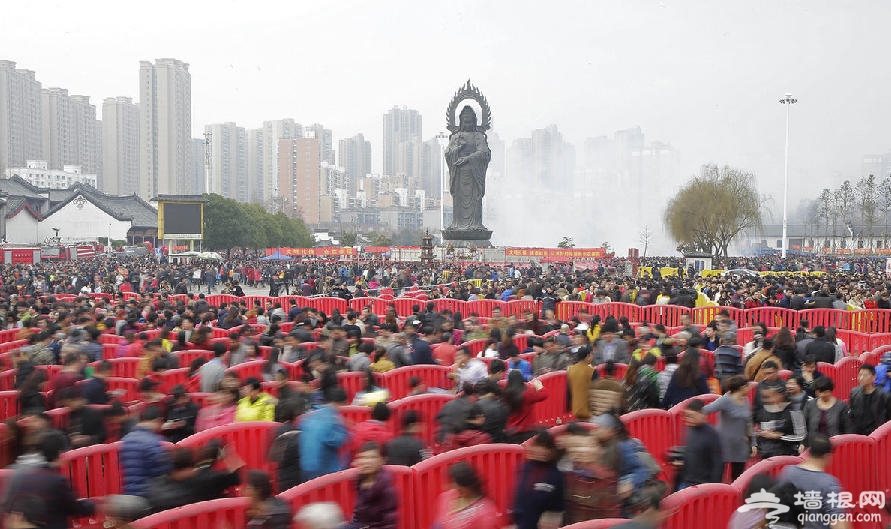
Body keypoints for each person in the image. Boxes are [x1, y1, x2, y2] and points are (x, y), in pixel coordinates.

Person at [2, 431, 95, 529]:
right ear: (60, 453)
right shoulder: (57, 481)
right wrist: (93, 505)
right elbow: (74, 508)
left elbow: (7, 505)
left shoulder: (19, 475)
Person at [779, 433, 851, 529]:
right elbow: (838, 522)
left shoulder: (788, 472)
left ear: (809, 452)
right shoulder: (829, 484)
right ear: (828, 456)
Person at [702, 375, 753, 481]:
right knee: (717, 477)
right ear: (742, 387)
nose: (750, 388)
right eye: (748, 386)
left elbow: (749, 422)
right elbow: (705, 410)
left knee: (738, 478)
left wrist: (753, 443)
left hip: (739, 445)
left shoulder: (746, 400)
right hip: (723, 444)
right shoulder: (725, 400)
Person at [511, 431, 564, 529]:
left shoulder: (556, 476)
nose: (541, 450)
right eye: (537, 445)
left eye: (545, 447)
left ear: (552, 451)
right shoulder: (523, 468)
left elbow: (556, 510)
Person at [298, 386, 349, 481]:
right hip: (323, 469)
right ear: (342, 403)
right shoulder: (332, 419)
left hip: (305, 467)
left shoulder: (311, 415)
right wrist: (344, 428)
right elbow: (337, 441)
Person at [344, 442, 398, 529]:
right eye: (363, 457)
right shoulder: (360, 482)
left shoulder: (387, 490)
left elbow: (389, 523)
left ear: (382, 460)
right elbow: (358, 517)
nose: (367, 461)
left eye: (372, 457)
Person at [431, 461, 500, 529]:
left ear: (469, 485)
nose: (450, 488)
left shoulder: (485, 512)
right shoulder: (446, 497)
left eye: (459, 488)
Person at [120, 407, 171, 497]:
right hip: (147, 494)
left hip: (129, 491)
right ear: (159, 420)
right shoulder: (153, 441)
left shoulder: (126, 438)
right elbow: (160, 470)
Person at [674, 398, 723, 490]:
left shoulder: (712, 434)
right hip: (686, 481)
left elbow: (718, 464)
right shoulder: (689, 429)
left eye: (691, 415)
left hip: (702, 485)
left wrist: (714, 487)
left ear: (702, 414)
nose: (687, 418)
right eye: (686, 415)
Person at [503, 370, 549, 443]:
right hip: (526, 430)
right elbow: (544, 394)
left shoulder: (506, 393)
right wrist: (539, 386)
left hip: (511, 431)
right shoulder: (527, 394)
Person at [848, 363, 889, 435]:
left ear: (874, 377)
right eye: (860, 375)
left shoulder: (884, 395)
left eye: (865, 375)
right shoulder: (854, 392)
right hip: (858, 434)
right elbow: (851, 414)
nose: (861, 378)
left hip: (877, 435)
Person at [567, 346, 596, 420]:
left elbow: (569, 390)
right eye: (592, 355)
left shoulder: (570, 370)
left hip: (575, 408)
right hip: (589, 410)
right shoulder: (591, 371)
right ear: (587, 356)